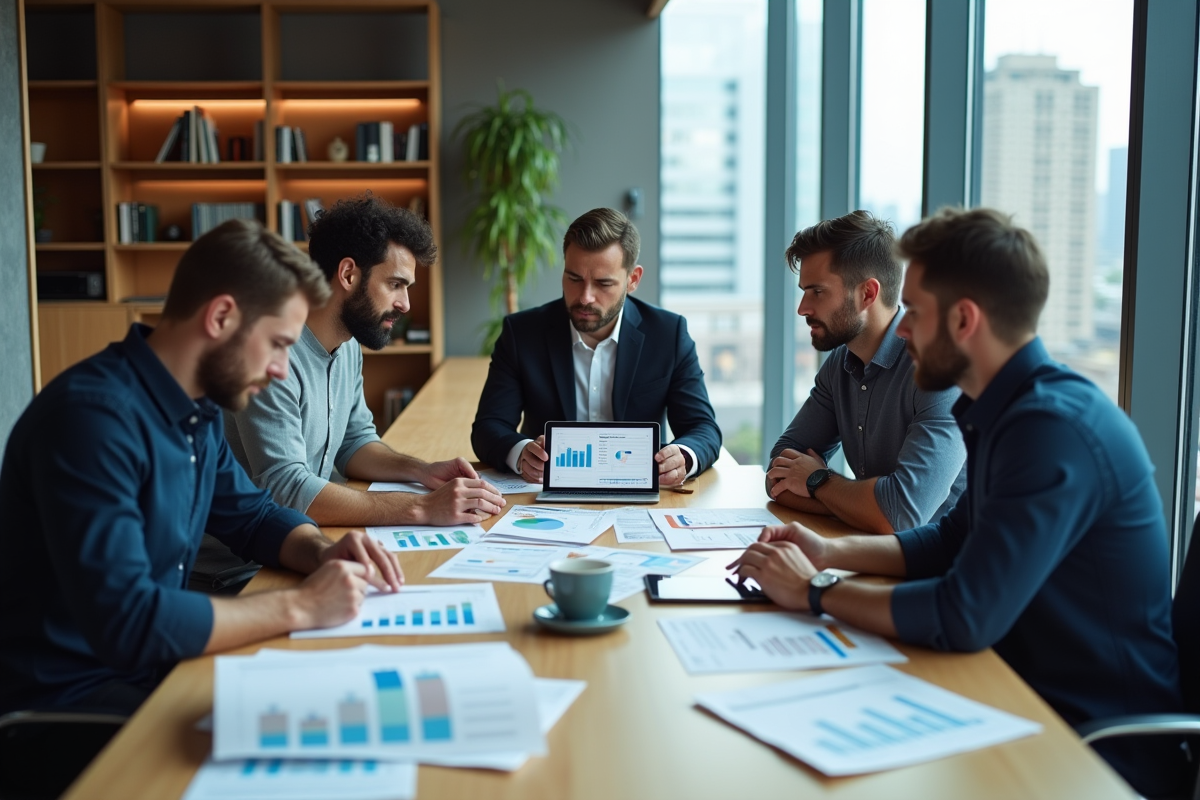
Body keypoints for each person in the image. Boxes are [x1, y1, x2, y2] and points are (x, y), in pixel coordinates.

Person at [730, 207, 1187, 797]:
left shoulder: (1052, 430)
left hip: (1091, 747)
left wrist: (814, 592)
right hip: (1012, 696)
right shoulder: (1006, 411)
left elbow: (964, 614)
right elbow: (948, 542)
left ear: (965, 320)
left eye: (915, 312)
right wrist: (825, 550)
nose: (900, 329)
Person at [0, 219, 403, 716]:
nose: (282, 368)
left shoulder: (197, 407)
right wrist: (300, 605)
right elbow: (130, 620)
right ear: (221, 318)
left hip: (152, 666)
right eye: (278, 343)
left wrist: (321, 553)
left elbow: (253, 518)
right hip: (64, 702)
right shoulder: (89, 421)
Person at [225, 196, 505, 525]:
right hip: (240, 570)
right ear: (348, 275)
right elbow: (285, 487)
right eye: (395, 284)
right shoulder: (268, 354)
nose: (405, 305)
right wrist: (422, 507)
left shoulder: (346, 346)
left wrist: (422, 471)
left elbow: (354, 442)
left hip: (294, 535)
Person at [471, 207, 722, 485]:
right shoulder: (521, 333)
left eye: (603, 283)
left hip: (639, 490)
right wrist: (520, 454)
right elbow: (488, 427)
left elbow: (703, 428)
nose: (585, 297)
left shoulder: (668, 334)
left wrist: (683, 457)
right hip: (545, 492)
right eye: (574, 279)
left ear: (633, 280)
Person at [766, 210, 965, 533]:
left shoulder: (939, 370)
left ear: (867, 294)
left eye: (817, 292)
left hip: (947, 569)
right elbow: (779, 475)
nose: (803, 308)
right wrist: (863, 509)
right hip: (877, 553)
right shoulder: (839, 364)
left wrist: (817, 479)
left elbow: (901, 515)